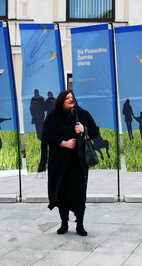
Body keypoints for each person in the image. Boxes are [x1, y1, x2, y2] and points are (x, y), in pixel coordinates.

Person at [40, 90, 99, 236]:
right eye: (67, 98)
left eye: (72, 97)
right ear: (61, 100)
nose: (71, 99)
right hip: (59, 162)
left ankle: (80, 225)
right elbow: (46, 136)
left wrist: (84, 129)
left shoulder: (83, 114)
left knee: (79, 193)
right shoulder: (53, 116)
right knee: (61, 192)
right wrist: (63, 143)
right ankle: (64, 223)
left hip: (78, 162)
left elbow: (95, 131)